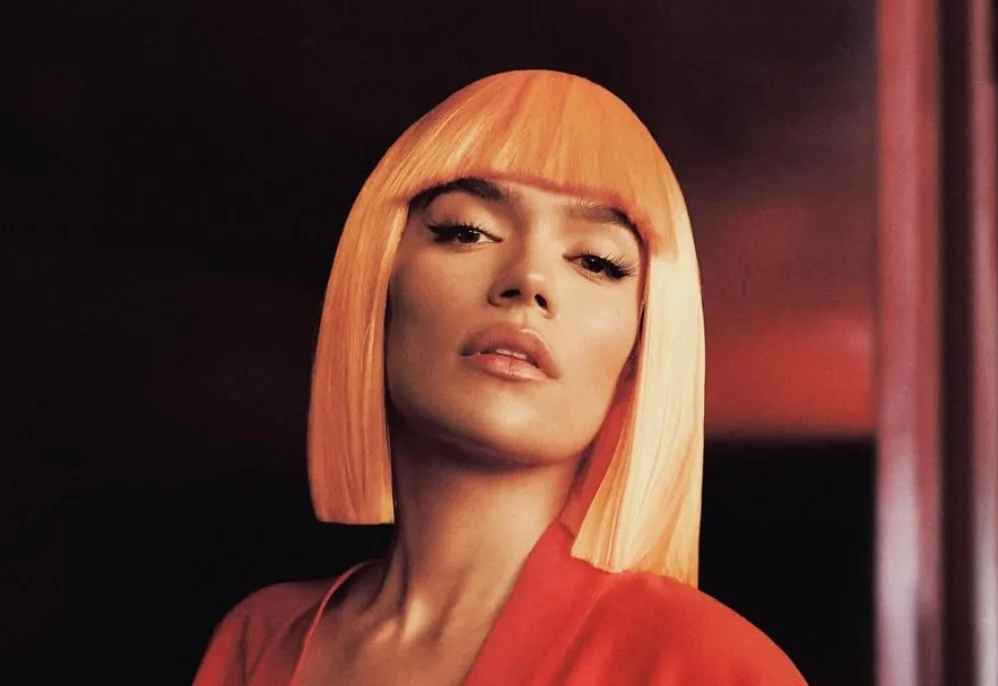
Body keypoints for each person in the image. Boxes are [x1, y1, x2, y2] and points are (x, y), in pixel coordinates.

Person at [193, 69, 808, 686]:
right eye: (467, 231)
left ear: (642, 343)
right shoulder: (258, 640)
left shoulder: (710, 666)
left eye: (596, 261)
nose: (528, 280)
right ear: (378, 279)